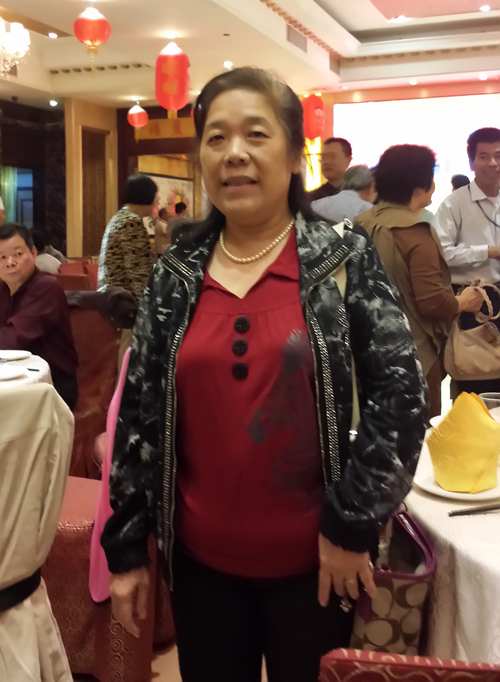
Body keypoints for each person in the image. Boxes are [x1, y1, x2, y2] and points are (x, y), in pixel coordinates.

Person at [101, 67, 427, 682]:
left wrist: (352, 524)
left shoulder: (342, 259)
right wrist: (126, 547)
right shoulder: (176, 273)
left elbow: (400, 397)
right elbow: (139, 415)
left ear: (295, 156)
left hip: (322, 565)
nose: (235, 154)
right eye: (216, 138)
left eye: (256, 134)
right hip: (199, 565)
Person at [357, 145, 483, 417]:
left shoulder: (360, 222)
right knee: (418, 430)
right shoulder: (416, 233)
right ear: (420, 187)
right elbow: (432, 302)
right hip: (412, 354)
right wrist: (463, 301)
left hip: (364, 348)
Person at [435, 127, 500, 395]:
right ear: (472, 162)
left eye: (498, 155)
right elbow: (443, 254)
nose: (493, 163)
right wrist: (489, 251)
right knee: (474, 381)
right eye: (484, 156)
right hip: (474, 301)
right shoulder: (454, 204)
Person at [0, 223, 78, 410]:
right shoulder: (2, 289)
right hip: (10, 381)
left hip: (50, 388)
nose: (10, 262)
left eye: (18, 254)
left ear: (34, 253)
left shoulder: (47, 288)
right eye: (1, 257)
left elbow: (12, 340)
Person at [98, 173, 158, 361]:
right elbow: (138, 272)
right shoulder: (131, 222)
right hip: (124, 299)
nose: (157, 202)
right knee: (129, 351)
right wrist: (149, 304)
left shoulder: (120, 217)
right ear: (146, 196)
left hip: (114, 295)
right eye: (155, 197)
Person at [306, 137, 352, 202]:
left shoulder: (360, 195)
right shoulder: (311, 199)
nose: (326, 162)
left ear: (348, 160)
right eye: (323, 157)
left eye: (332, 156)